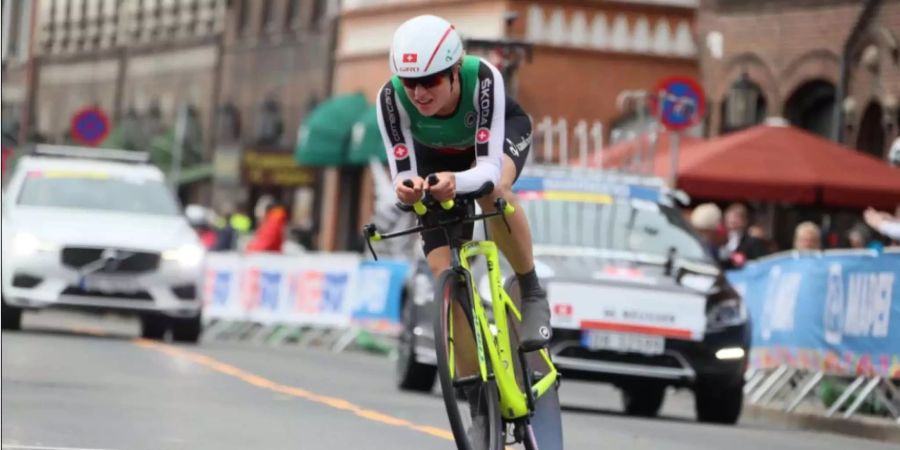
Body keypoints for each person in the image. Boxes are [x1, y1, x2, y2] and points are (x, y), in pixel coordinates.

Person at [376, 15, 551, 351]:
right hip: (436, 158)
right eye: (409, 82)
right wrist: (406, 189)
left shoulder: (483, 77)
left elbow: (486, 169)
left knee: (495, 190)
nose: (419, 93)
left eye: (431, 81)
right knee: (444, 276)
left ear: (455, 70)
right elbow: (402, 172)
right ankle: (473, 392)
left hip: (486, 149)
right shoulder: (390, 98)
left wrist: (455, 181)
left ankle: (531, 291)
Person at [719, 203, 769, 269]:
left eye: (737, 217)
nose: (733, 220)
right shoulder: (719, 238)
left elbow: (762, 263)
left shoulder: (753, 241)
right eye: (730, 216)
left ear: (745, 221)